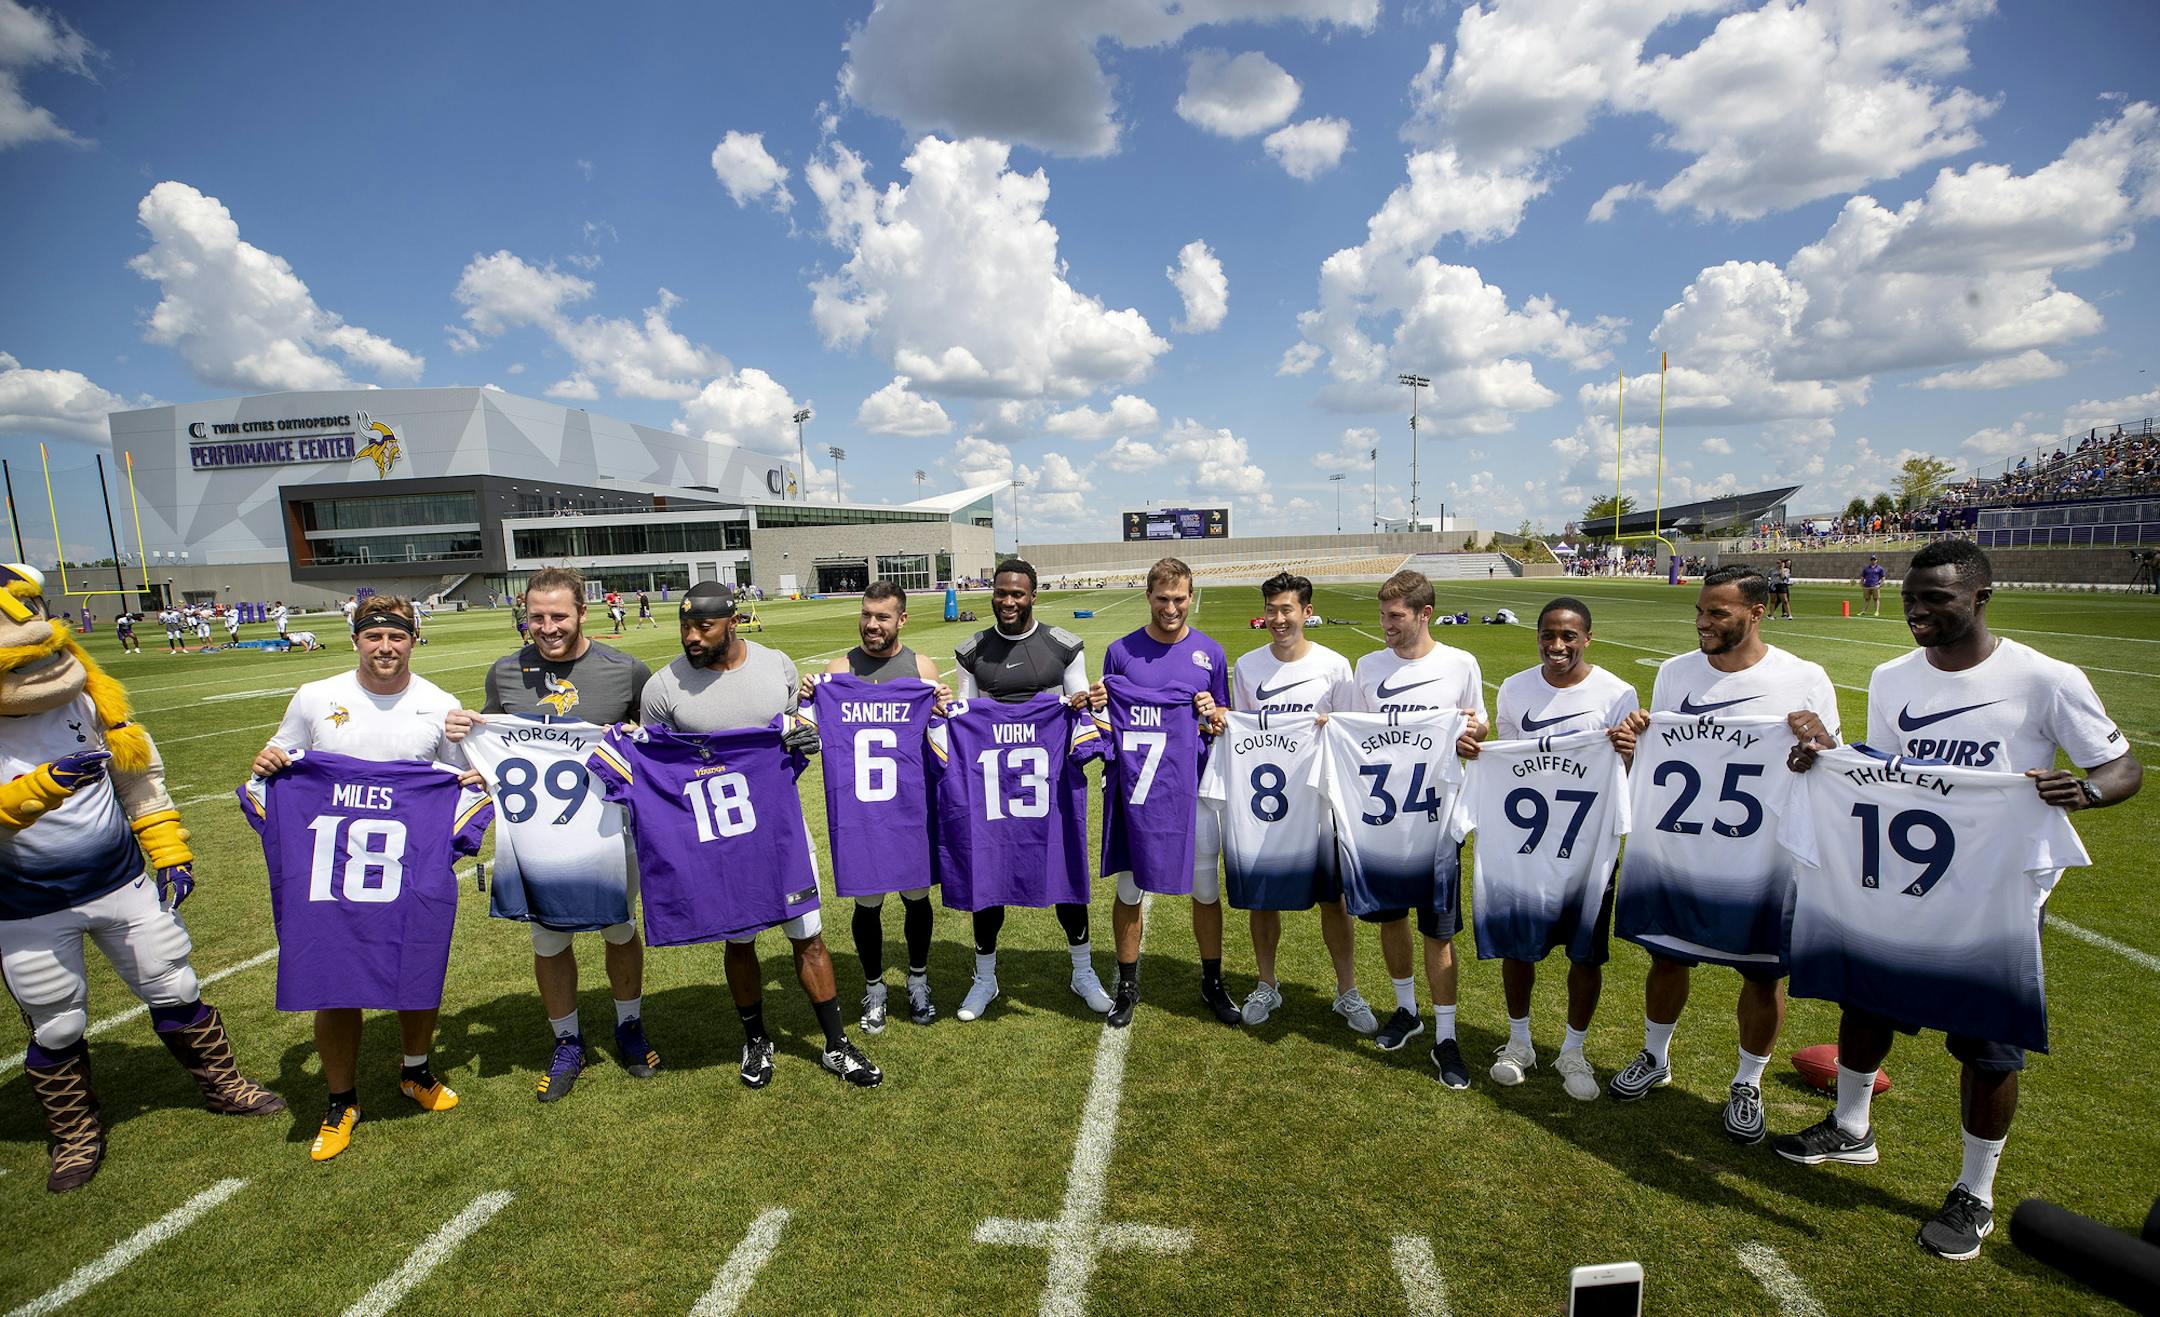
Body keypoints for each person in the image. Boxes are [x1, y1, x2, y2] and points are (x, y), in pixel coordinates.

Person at [1776, 540, 2142, 1260]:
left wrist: (2091, 789)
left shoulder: (2043, 678)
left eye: (1935, 598)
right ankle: (1851, 1128)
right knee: (1866, 998)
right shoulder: (1889, 677)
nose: (1917, 609)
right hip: (1899, 877)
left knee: (1986, 1042)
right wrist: (1826, 758)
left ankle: (1975, 1191)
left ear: (1980, 598)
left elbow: (2122, 764)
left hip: (1993, 891)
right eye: (1912, 595)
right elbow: (1888, 769)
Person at [0, 564, 283, 1192]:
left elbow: (137, 778)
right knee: (57, 1020)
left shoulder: (87, 697)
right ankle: (75, 1135)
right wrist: (41, 788)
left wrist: (169, 849)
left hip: (120, 879)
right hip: (26, 902)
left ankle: (223, 1086)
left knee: (175, 983)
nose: (35, 669)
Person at [1606, 565, 1834, 1144]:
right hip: (1680, 848)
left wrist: (1817, 744)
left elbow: (1831, 765)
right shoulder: (1675, 673)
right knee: (1667, 956)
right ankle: (1655, 1057)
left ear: (1757, 613)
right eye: (1701, 612)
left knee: (1761, 975)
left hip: (1760, 857)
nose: (1703, 623)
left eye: (1718, 614)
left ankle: (1747, 1082)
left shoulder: (1803, 677)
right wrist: (1634, 744)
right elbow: (1659, 755)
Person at [250, 595, 473, 1161]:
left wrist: (466, 788)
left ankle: (415, 1071)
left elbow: (464, 780)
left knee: (417, 969)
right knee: (335, 982)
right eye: (373, 637)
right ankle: (340, 1098)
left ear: (413, 640)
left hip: (410, 868)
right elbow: (278, 757)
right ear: (355, 640)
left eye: (396, 637)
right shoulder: (316, 697)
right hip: (331, 871)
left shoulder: (439, 705)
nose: (385, 648)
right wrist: (269, 763)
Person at [641, 581, 881, 1088]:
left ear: (733, 622)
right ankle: (755, 1039)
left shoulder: (777, 666)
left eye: (703, 627)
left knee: (808, 934)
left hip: (780, 829)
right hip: (717, 837)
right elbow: (658, 767)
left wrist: (804, 734)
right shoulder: (663, 688)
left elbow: (795, 729)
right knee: (739, 938)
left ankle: (836, 1044)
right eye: (685, 627)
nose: (691, 637)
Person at [446, 566, 657, 1104]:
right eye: (536, 617)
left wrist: (640, 737)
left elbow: (657, 740)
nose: (547, 627)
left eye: (558, 615)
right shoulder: (506, 671)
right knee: (548, 937)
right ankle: (568, 1042)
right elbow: (495, 744)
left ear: (582, 613)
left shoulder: (626, 670)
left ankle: (628, 1026)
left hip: (609, 829)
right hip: (534, 833)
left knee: (619, 927)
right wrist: (465, 742)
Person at [1483, 597, 1640, 1099]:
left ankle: (1574, 1050)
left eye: (1569, 636)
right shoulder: (1513, 689)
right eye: (1548, 635)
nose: (1557, 646)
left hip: (1587, 846)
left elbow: (1630, 775)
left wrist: (1629, 753)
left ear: (1587, 638)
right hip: (1525, 844)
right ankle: (1519, 1041)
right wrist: (1476, 753)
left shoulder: (1616, 692)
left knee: (1585, 953)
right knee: (1518, 946)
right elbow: (1506, 762)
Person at [948, 560, 1112, 1022]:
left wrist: (1084, 701)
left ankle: (1082, 971)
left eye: (1017, 594)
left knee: (1065, 872)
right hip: (994, 781)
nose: (1008, 601)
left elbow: (1078, 700)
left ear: (1033, 595)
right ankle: (985, 978)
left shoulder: (1062, 645)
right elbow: (969, 713)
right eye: (1001, 593)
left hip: (1052, 779)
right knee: (988, 875)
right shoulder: (973, 650)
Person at [1352, 570, 1487, 1086]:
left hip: (1437, 821)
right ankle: (1407, 1010)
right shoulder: (1367, 667)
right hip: (1382, 819)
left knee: (1439, 932)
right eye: (1382, 614)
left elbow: (1479, 722)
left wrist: (1471, 732)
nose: (1384, 624)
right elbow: (1357, 735)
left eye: (1395, 616)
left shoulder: (1460, 663)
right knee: (1391, 920)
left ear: (1424, 614)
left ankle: (1447, 1036)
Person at [797, 580, 948, 1032]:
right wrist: (808, 699)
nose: (871, 625)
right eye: (866, 615)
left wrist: (942, 707)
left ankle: (918, 982)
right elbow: (812, 737)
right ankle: (875, 987)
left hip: (910, 806)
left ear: (902, 619)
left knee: (916, 897)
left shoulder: (922, 670)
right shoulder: (838, 669)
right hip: (859, 809)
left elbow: (941, 741)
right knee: (868, 902)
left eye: (882, 617)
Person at [1228, 571, 1373, 1034]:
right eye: (1271, 610)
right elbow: (1242, 736)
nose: (1278, 619)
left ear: (1307, 612)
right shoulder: (1248, 666)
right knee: (1262, 899)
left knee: (1334, 900)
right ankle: (1267, 983)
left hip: (1321, 801)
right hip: (1267, 805)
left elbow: (1352, 732)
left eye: (1286, 609)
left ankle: (1347, 991)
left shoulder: (1334, 665)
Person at [1092, 557, 1235, 1028]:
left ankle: (1212, 981)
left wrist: (1214, 711)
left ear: (1190, 597)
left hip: (1191, 788)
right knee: (1130, 887)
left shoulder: (1209, 652)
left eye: (1179, 599)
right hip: (1137, 793)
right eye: (1162, 598)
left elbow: (1223, 720)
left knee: (1205, 887)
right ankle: (1127, 983)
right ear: (1148, 596)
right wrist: (1094, 702)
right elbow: (1106, 717)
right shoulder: (1120, 652)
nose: (1171, 608)